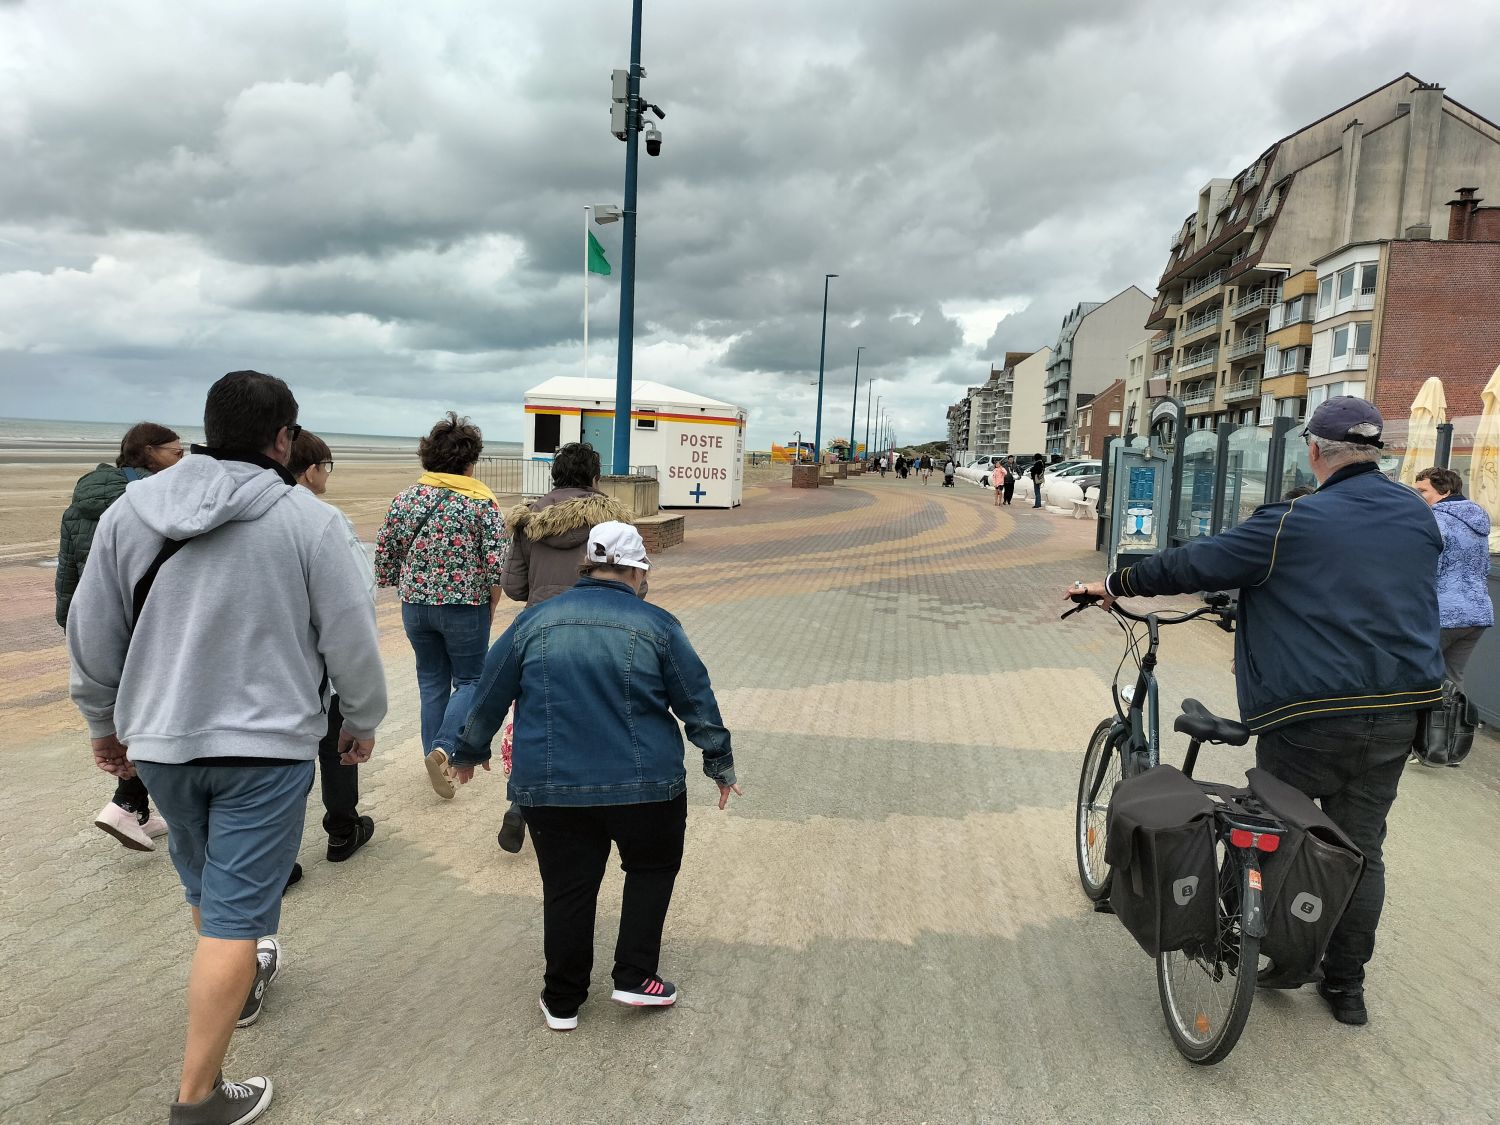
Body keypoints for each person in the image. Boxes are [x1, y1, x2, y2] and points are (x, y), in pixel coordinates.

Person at [67, 370, 387, 1123]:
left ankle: (232, 984)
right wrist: (361, 720)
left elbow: (93, 633)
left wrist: (101, 723)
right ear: (282, 438)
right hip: (267, 748)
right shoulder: (306, 521)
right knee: (236, 916)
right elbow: (351, 636)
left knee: (209, 899)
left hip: (164, 744)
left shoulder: (131, 511)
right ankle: (199, 1097)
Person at [1069, 397, 1443, 1029]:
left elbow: (1197, 561)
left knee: (1274, 832)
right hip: (1401, 710)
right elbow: (1361, 590)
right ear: (1376, 453)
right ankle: (1345, 987)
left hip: (1312, 716)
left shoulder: (1293, 521)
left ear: (1315, 450)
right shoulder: (1416, 515)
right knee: (1362, 848)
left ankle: (1238, 949)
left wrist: (1117, 586)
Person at [444, 521, 739, 1032]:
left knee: (567, 887)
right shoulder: (658, 625)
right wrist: (719, 761)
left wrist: (469, 750)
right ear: (635, 570)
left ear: (588, 565)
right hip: (648, 788)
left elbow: (489, 688)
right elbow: (696, 700)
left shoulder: (533, 622)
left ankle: (562, 999)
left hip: (551, 788)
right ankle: (635, 975)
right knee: (650, 870)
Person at [493, 442, 636, 852]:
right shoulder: (614, 520)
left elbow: (515, 586)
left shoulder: (527, 521)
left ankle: (520, 805)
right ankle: (591, 802)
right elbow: (636, 585)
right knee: (597, 712)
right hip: (603, 628)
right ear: (595, 479)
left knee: (534, 716)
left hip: (538, 631)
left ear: (554, 478)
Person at [56, 421, 184, 851]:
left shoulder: (78, 507)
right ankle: (127, 806)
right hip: (145, 629)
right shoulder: (151, 505)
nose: (181, 459)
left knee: (127, 721)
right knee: (150, 720)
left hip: (96, 630)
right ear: (149, 453)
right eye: (175, 452)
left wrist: (73, 627)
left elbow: (68, 575)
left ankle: (134, 808)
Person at [375, 413, 508, 800]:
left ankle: (430, 755)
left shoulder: (406, 498)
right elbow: (496, 563)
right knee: (469, 681)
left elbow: (385, 553)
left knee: (430, 681)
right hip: (464, 605)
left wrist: (396, 579)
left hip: (415, 604)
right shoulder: (481, 503)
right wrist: (492, 599)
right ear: (470, 462)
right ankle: (445, 749)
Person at [289, 430, 376, 863]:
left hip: (271, 670)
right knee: (335, 744)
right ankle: (342, 829)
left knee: (283, 761)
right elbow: (357, 596)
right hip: (319, 663)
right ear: (310, 471)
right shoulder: (325, 520)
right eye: (325, 466)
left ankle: (277, 856)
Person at [1413, 466, 1494, 693]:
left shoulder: (1435, 519)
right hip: (1477, 613)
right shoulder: (1477, 520)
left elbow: (1427, 569)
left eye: (1422, 491)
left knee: (1419, 676)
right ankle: (1451, 728)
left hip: (1443, 613)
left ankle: (1422, 728)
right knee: (1452, 680)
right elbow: (1483, 566)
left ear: (1445, 491)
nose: (1417, 497)